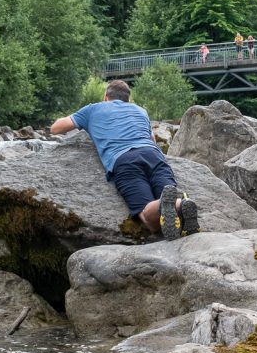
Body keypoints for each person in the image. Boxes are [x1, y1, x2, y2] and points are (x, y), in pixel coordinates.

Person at [49, 79, 200, 240]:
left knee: (149, 221)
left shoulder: (93, 109)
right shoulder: (140, 111)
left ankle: (165, 204)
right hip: (153, 155)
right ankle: (180, 204)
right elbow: (151, 139)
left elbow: (56, 128)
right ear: (127, 99)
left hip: (124, 159)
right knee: (167, 191)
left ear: (106, 97)